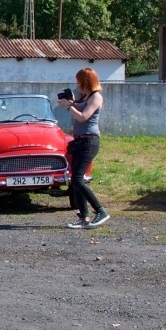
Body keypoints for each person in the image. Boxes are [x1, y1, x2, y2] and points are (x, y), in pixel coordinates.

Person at [60, 68, 109, 229]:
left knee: (78, 179)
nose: (77, 84)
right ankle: (84, 217)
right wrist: (72, 102)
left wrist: (69, 107)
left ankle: (100, 211)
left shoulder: (96, 97)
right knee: (75, 179)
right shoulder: (86, 96)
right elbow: (79, 108)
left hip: (89, 141)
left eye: (79, 81)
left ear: (85, 81)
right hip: (79, 141)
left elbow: (83, 117)